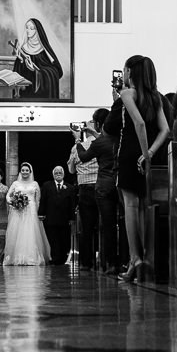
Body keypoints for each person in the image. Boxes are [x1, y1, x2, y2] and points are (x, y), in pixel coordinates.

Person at [115, 56, 171, 283]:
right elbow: (165, 129)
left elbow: (137, 123)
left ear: (130, 71)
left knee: (130, 206)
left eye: (124, 69)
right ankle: (142, 261)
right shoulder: (155, 96)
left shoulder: (127, 94)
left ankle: (135, 258)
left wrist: (142, 150)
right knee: (141, 208)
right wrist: (149, 154)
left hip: (130, 153)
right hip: (143, 155)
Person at [76, 108, 119, 274]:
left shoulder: (99, 143)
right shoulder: (118, 139)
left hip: (103, 188)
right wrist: (95, 132)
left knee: (107, 226)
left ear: (100, 123)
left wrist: (78, 141)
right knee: (119, 225)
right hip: (118, 184)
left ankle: (110, 264)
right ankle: (120, 261)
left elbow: (84, 157)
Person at [3, 163, 50, 266]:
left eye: (26, 170)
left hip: (31, 211)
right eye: (23, 170)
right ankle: (17, 257)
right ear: (20, 172)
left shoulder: (35, 184)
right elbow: (8, 196)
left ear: (30, 172)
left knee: (30, 233)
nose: (25, 172)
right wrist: (12, 202)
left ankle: (31, 258)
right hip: (18, 211)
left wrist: (37, 212)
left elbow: (38, 200)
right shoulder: (15, 184)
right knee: (17, 233)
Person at [67, 122, 99, 269]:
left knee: (86, 228)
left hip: (85, 189)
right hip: (100, 187)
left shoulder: (76, 147)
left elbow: (72, 170)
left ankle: (86, 263)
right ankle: (105, 261)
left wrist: (77, 140)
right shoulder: (101, 143)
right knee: (104, 225)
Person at [11, 18, 64, 99]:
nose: (28, 30)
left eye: (32, 28)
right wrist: (20, 61)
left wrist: (36, 72)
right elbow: (17, 72)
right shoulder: (23, 49)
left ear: (38, 31)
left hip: (41, 94)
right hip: (25, 91)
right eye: (27, 28)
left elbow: (56, 72)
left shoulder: (44, 50)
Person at [40, 165, 76, 266]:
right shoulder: (47, 186)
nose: (58, 174)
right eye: (56, 173)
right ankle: (55, 258)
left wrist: (72, 218)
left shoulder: (70, 187)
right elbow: (43, 201)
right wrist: (41, 213)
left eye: (60, 173)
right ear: (53, 175)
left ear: (63, 174)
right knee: (53, 239)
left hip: (65, 219)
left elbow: (72, 204)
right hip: (50, 218)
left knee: (64, 240)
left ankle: (63, 258)